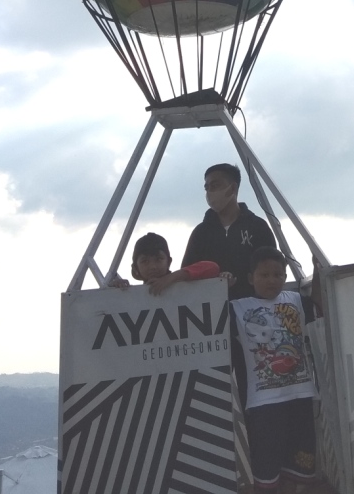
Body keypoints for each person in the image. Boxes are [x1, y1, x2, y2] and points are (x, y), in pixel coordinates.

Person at [231, 247, 318, 493]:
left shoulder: (297, 300)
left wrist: (318, 270)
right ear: (251, 278)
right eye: (264, 275)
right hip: (263, 404)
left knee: (300, 470)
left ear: (285, 276)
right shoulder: (237, 307)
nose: (272, 280)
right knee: (266, 472)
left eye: (278, 275)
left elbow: (322, 302)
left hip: (301, 397)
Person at [182, 163, 277, 299]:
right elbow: (187, 273)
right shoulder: (200, 233)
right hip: (211, 306)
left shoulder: (258, 227)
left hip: (252, 306)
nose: (209, 192)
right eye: (207, 188)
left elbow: (272, 267)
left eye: (215, 186)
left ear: (233, 188)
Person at [112, 232, 224, 293]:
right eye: (145, 261)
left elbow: (212, 267)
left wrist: (171, 278)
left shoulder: (182, 284)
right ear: (135, 267)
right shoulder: (132, 296)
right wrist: (113, 290)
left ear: (169, 262)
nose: (153, 266)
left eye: (159, 259)